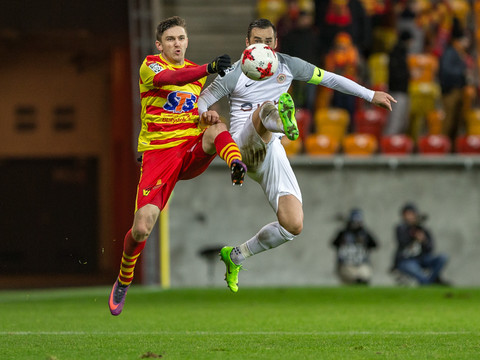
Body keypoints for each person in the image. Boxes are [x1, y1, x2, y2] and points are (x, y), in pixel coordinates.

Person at [198, 18, 395, 292]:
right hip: (240, 147)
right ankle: (283, 122)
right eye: (257, 41)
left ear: (275, 43)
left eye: (268, 41)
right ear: (247, 43)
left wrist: (369, 94)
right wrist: (206, 112)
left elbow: (329, 78)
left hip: (270, 152)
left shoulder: (289, 65)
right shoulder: (234, 72)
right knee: (265, 108)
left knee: (293, 225)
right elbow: (203, 100)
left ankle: (236, 255)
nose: (263, 46)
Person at [108, 16, 248, 316]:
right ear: (160, 44)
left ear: (187, 41)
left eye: (181, 38)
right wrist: (209, 68)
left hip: (188, 149)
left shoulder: (196, 75)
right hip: (159, 155)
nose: (177, 44)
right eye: (170, 39)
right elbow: (168, 81)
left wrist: (207, 116)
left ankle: (236, 163)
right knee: (142, 228)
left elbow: (194, 110)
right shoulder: (151, 65)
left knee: (217, 127)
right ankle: (124, 278)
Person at [392, 203, 449, 286]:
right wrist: (413, 234)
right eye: (407, 214)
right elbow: (403, 241)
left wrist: (424, 240)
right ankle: (430, 282)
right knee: (417, 272)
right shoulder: (401, 228)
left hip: (422, 259)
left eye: (411, 214)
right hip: (406, 260)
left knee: (443, 257)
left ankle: (430, 281)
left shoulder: (423, 229)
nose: (409, 217)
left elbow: (430, 248)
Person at [439, 18, 470, 146]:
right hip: (450, 91)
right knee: (449, 121)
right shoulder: (450, 52)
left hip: (458, 90)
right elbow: (446, 70)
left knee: (457, 122)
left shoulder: (459, 53)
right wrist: (461, 73)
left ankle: (451, 148)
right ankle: (442, 147)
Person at [331, 209, 378, 285]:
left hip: (361, 264)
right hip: (346, 264)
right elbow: (334, 243)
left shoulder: (364, 234)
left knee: (364, 275)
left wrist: (364, 233)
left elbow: (375, 244)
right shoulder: (343, 233)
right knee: (351, 276)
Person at [384, 30, 412, 135]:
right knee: (396, 119)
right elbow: (398, 73)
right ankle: (390, 144)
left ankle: (393, 143)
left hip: (396, 89)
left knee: (399, 119)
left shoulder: (396, 51)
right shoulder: (399, 53)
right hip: (398, 90)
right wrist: (409, 75)